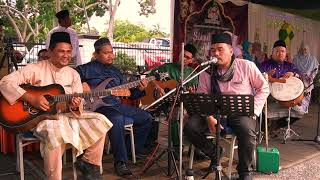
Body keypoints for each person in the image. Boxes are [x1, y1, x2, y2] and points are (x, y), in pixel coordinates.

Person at [0, 32, 112, 180]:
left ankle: (89, 164)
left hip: (66, 116)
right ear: (50, 51)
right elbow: (4, 82)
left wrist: (75, 104)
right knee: (56, 135)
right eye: (61, 51)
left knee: (101, 120)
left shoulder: (73, 74)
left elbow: (79, 101)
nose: (66, 55)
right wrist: (31, 98)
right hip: (41, 118)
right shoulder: (35, 68)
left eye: (68, 51)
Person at [183, 33, 269, 180]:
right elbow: (202, 96)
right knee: (190, 127)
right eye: (213, 50)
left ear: (231, 51)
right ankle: (214, 152)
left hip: (240, 112)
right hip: (212, 111)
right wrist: (209, 118)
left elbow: (264, 88)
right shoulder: (206, 71)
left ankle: (244, 172)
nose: (216, 53)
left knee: (247, 131)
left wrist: (253, 111)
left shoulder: (246, 66)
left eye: (220, 49)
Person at [76, 37, 153, 178]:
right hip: (98, 108)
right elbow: (70, 81)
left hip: (117, 105)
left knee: (146, 118)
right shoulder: (84, 69)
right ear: (96, 54)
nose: (111, 55)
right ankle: (120, 162)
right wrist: (82, 85)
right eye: (106, 53)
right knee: (117, 119)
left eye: (112, 52)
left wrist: (141, 89)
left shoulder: (116, 72)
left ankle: (129, 151)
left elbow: (130, 95)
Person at [148, 43, 204, 158]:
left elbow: (194, 92)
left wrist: (191, 92)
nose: (184, 59)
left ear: (191, 60)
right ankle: (177, 147)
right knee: (174, 114)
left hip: (185, 102)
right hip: (168, 101)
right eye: (182, 55)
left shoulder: (192, 73)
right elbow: (150, 76)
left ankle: (196, 147)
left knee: (198, 116)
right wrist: (157, 87)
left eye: (187, 57)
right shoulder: (167, 68)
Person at [293, 42, 319, 113]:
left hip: (308, 80)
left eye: (305, 49)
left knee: (306, 95)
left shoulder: (312, 58)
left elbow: (315, 69)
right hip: (299, 79)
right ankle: (298, 108)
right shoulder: (296, 58)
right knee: (298, 94)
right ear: (300, 50)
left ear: (308, 49)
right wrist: (298, 75)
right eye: (302, 49)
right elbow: (293, 68)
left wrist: (311, 76)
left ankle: (304, 109)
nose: (304, 51)